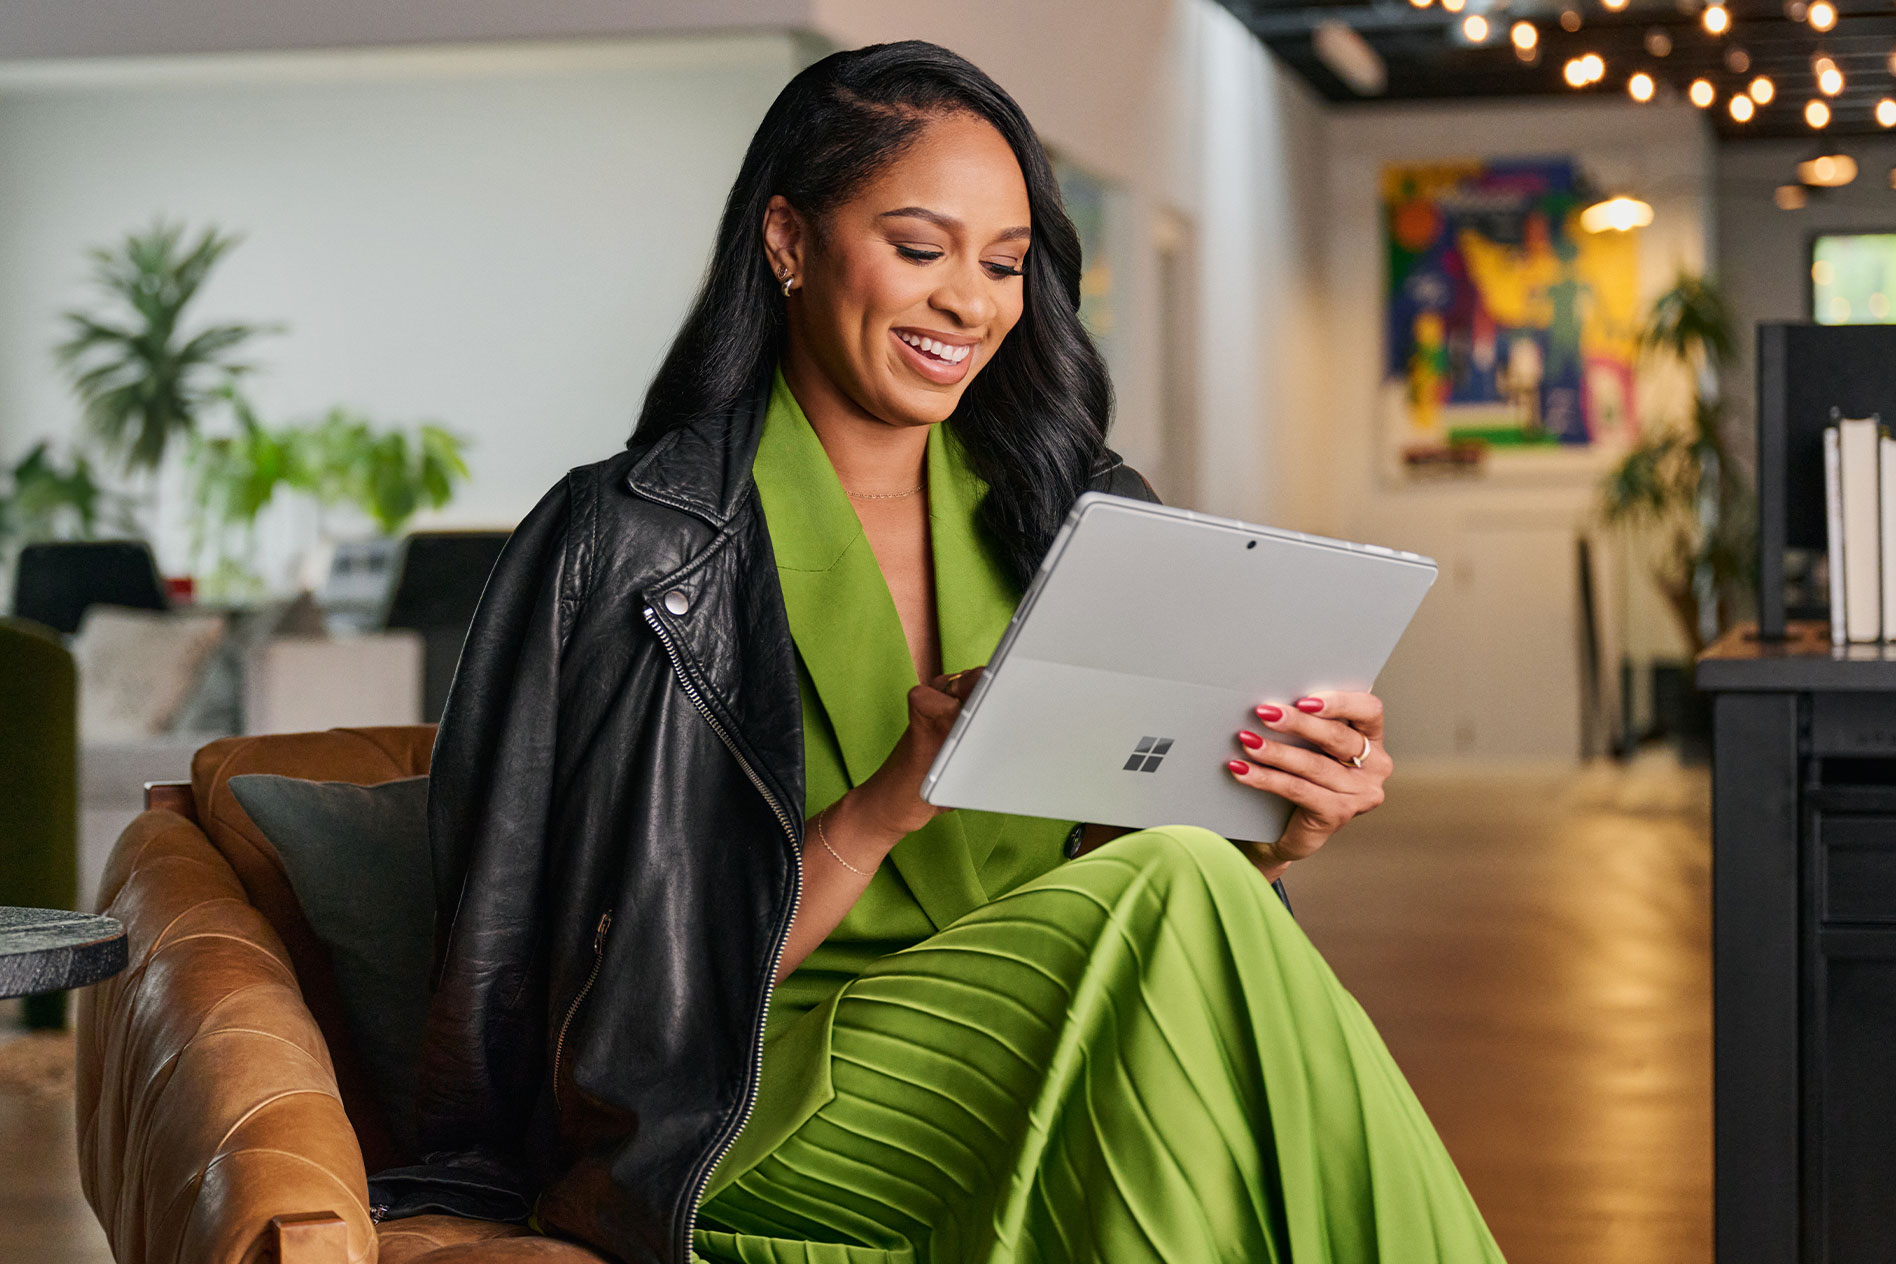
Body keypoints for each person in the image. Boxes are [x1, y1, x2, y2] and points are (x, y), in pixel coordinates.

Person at [397, 39, 1506, 1264]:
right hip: (749, 1101)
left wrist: (1269, 828)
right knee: (1185, 907)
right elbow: (588, 993)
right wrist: (884, 808)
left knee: (1194, 893)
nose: (969, 303)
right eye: (920, 250)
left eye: (1006, 264)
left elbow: (1116, 870)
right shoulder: (628, 543)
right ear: (788, 241)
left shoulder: (1072, 516)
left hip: (1057, 1038)